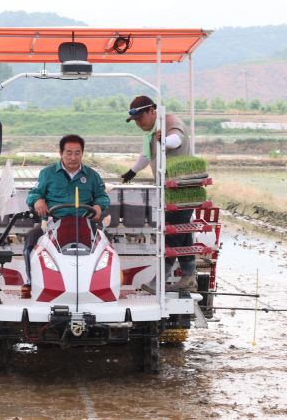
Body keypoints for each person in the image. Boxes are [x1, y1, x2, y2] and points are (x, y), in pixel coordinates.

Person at [121, 95, 196, 293]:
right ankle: (189, 275)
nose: (138, 124)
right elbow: (147, 155)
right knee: (183, 232)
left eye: (140, 119)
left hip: (182, 188)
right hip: (169, 189)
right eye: (135, 121)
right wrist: (132, 172)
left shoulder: (170, 122)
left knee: (172, 233)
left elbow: (176, 140)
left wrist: (164, 138)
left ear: (152, 111)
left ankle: (160, 280)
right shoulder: (151, 132)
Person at [22, 134, 109, 288]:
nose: (73, 157)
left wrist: (98, 206)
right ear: (61, 153)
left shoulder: (92, 175)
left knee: (105, 242)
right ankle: (32, 282)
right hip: (52, 223)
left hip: (84, 223)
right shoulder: (47, 173)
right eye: (69, 153)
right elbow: (33, 193)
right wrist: (37, 200)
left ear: (82, 153)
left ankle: (100, 284)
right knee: (32, 237)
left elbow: (102, 196)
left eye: (77, 153)